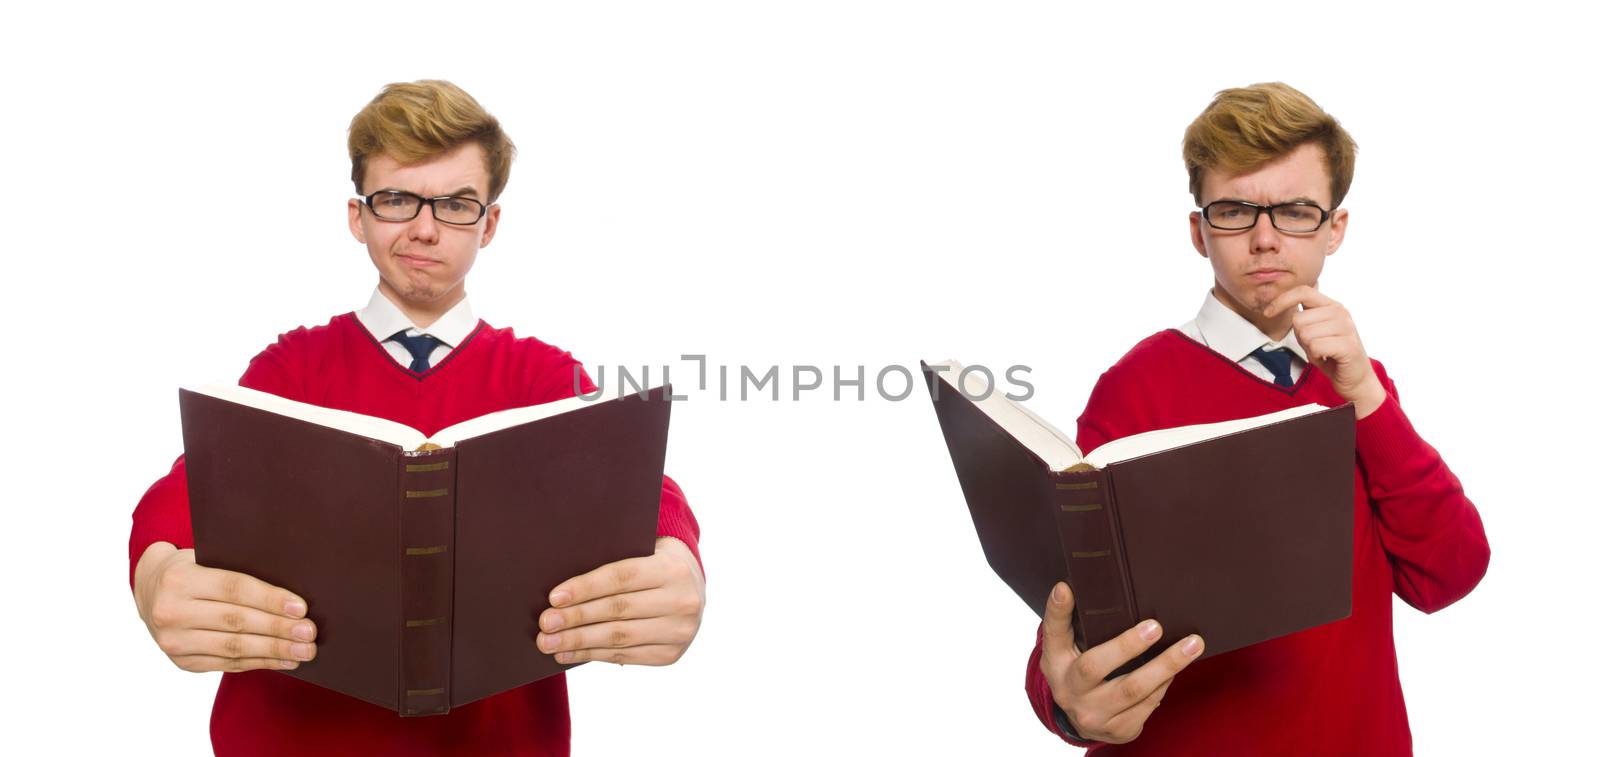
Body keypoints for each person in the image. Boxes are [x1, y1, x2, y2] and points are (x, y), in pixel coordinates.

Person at [128, 80, 706, 756]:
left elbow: (638, 486)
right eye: (397, 199)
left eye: (456, 204)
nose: (425, 227)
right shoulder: (293, 367)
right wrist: (155, 572)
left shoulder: (543, 376)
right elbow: (192, 487)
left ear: (489, 224)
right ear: (358, 216)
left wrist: (681, 560)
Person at [1024, 82, 1489, 755]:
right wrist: (1064, 705)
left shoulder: (1358, 383)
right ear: (1199, 230)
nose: (1266, 239)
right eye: (1236, 211)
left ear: (1336, 228)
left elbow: (1450, 571)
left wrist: (1365, 394)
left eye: (1296, 211)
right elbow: (1071, 610)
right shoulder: (1134, 388)